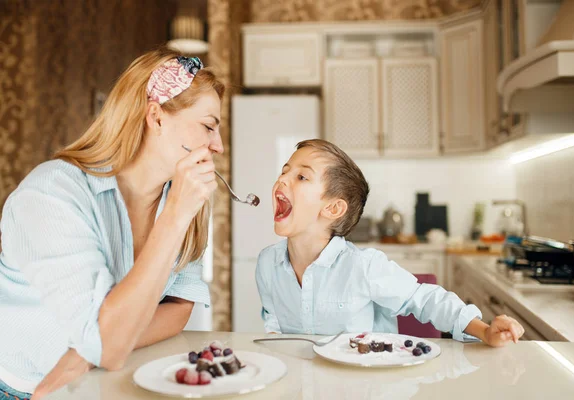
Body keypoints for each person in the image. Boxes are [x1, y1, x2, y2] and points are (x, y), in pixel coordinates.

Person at [0, 47, 224, 400]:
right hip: (26, 392)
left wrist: (86, 354)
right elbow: (108, 346)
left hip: (101, 384)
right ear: (157, 117)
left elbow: (178, 310)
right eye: (209, 126)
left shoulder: (181, 202)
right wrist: (175, 217)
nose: (219, 146)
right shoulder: (51, 194)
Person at [255, 139, 525, 346]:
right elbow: (274, 326)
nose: (281, 179)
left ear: (333, 209)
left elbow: (425, 299)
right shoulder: (267, 264)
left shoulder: (363, 266)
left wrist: (484, 330)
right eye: (284, 171)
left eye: (301, 177)